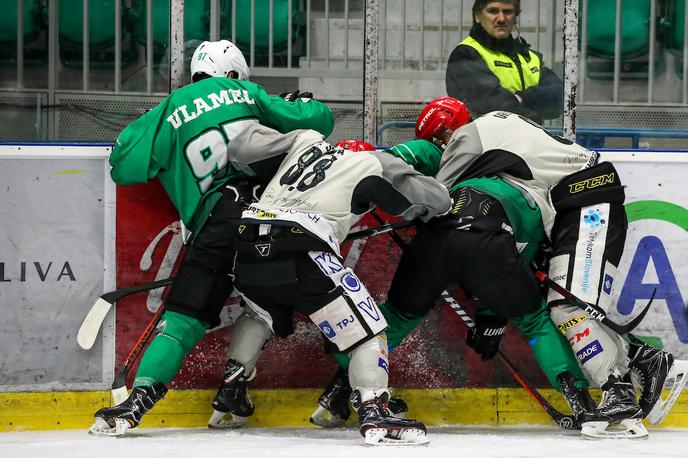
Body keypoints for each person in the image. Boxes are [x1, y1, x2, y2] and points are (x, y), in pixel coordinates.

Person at [316, 99, 688, 438]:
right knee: (556, 309)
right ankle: (618, 379)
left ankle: (624, 382)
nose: (442, 148)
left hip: (586, 200)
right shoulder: (500, 152)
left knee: (567, 307)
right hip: (562, 209)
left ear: (449, 132)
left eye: (439, 140)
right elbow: (499, 250)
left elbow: (439, 200)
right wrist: (493, 311)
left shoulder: (468, 140)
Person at [89, 39, 334, 437]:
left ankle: (136, 403)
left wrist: (162, 132)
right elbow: (319, 121)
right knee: (268, 305)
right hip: (266, 216)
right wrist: (296, 103)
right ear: (235, 73)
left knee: (182, 319)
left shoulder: (168, 109)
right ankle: (236, 392)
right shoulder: (246, 92)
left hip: (213, 224)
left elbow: (123, 165)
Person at [224, 129, 453, 445]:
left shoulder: (305, 143)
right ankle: (375, 409)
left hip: (246, 247)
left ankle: (230, 392)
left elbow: (240, 147)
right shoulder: (369, 161)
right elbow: (439, 201)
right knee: (369, 331)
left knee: (258, 313)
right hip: (303, 245)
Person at [446, 0, 562, 124]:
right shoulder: (466, 53)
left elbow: (561, 97)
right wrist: (535, 118)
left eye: (507, 12)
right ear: (477, 16)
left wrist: (524, 97)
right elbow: (492, 107)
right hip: (486, 141)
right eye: (493, 11)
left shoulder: (528, 56)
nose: (501, 18)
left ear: (515, 17)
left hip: (526, 140)